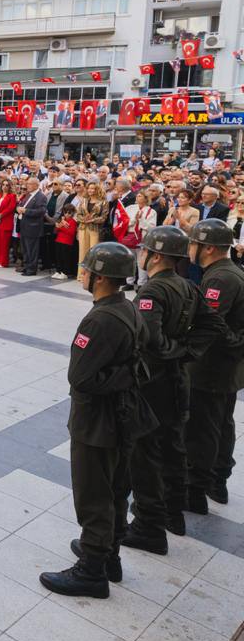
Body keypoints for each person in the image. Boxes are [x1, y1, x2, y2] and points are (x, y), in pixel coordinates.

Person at [40, 243, 154, 600]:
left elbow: (80, 378)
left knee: (94, 495)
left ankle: (91, 570)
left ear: (101, 278)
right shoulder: (128, 307)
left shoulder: (99, 319)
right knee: (116, 490)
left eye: (87, 269)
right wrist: (127, 375)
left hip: (97, 422)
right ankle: (109, 556)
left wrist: (123, 376)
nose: (83, 273)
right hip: (123, 415)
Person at [122, 226, 222, 554]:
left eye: (145, 250)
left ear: (156, 256)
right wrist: (187, 352)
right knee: (172, 448)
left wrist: (175, 351)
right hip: (176, 380)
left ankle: (148, 524)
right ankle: (172, 514)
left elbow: (149, 339)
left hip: (152, 383)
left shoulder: (152, 291)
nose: (141, 254)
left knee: (146, 454)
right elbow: (213, 325)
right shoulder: (188, 286)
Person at [185, 218, 244, 514]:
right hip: (224, 367)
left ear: (208, 248)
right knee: (220, 423)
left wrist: (181, 352)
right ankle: (217, 480)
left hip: (212, 368)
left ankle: (199, 485)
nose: (190, 248)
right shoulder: (227, 272)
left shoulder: (221, 278)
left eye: (193, 243)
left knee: (204, 427)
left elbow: (210, 325)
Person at [18, 177, 48, 276]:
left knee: (32, 250)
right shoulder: (28, 195)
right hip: (24, 226)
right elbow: (22, 205)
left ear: (36, 185)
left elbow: (41, 211)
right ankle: (26, 266)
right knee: (25, 249)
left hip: (33, 227)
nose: (27, 186)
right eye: (27, 184)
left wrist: (26, 211)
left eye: (30, 184)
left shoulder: (41, 197)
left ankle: (31, 269)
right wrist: (18, 208)